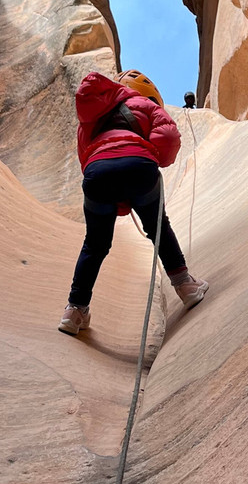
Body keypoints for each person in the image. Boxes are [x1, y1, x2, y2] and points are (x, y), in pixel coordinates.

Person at [60, 70, 209, 335]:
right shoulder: (144, 104)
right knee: (158, 226)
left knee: (95, 244)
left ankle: (75, 309)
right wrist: (151, 158)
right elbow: (168, 138)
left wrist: (113, 189)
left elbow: (85, 157)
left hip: (97, 173)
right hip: (139, 165)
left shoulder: (90, 117)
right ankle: (185, 286)